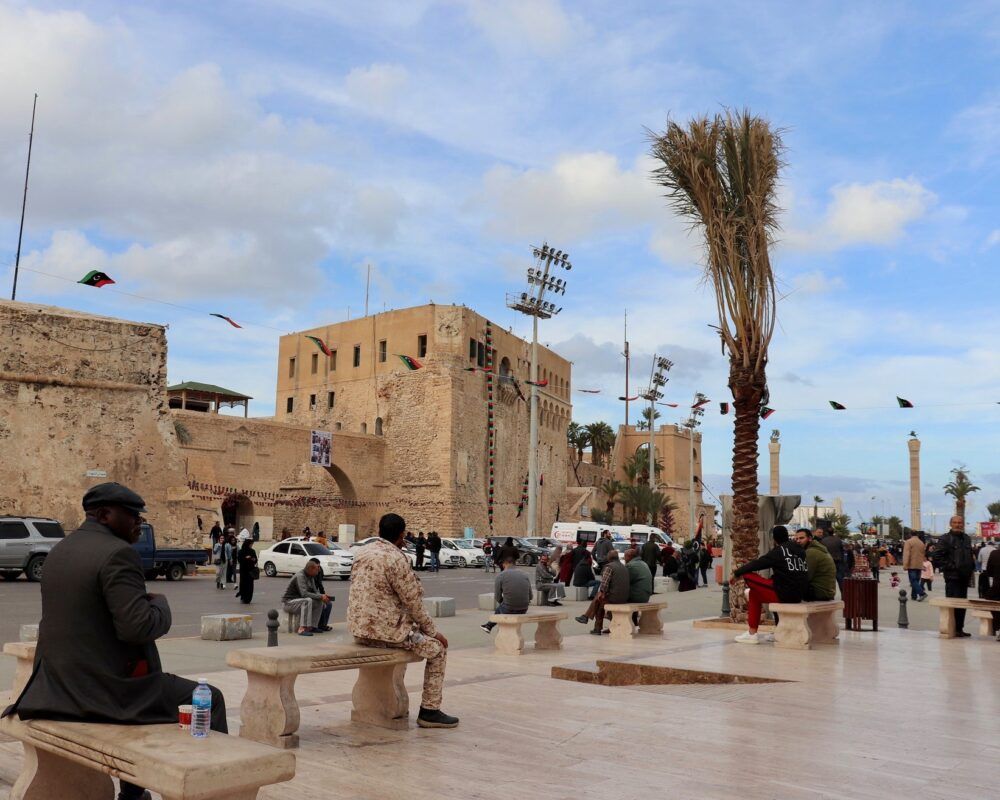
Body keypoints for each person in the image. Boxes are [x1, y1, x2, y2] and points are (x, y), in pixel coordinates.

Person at [2, 483, 227, 800]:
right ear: (105, 515)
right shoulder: (118, 554)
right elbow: (139, 627)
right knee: (210, 698)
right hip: (102, 695)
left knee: (149, 681)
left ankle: (133, 795)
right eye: (133, 515)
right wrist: (160, 604)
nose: (140, 523)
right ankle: (211, 789)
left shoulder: (60, 551)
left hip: (56, 690)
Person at [348, 513, 458, 728]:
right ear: (401, 535)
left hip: (360, 630)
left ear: (379, 530)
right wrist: (434, 632)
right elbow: (413, 602)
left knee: (411, 636)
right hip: (386, 633)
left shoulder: (362, 552)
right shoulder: (396, 558)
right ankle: (430, 710)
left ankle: (393, 699)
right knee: (437, 650)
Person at [731, 525, 809, 644]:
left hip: (784, 593)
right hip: (799, 594)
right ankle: (756, 632)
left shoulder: (779, 551)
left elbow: (758, 563)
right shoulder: (800, 551)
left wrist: (737, 573)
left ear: (774, 539)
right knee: (754, 594)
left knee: (747, 575)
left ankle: (752, 634)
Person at [932, 516, 975, 637]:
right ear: (950, 524)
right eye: (955, 522)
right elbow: (937, 556)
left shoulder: (966, 538)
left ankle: (959, 629)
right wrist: (952, 566)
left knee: (962, 604)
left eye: (960, 522)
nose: (957, 524)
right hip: (952, 577)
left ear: (963, 524)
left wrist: (970, 567)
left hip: (964, 577)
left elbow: (969, 555)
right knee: (952, 604)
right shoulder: (945, 539)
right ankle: (951, 628)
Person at [574, 549, 630, 635]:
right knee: (599, 602)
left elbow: (604, 583)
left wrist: (602, 592)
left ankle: (590, 621)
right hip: (624, 597)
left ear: (609, 558)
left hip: (614, 597)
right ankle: (588, 620)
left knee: (599, 599)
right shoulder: (623, 567)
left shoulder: (609, 567)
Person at [481, 554, 533, 632]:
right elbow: (531, 596)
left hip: (509, 608)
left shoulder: (501, 576)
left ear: (505, 564)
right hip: (524, 608)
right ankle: (488, 626)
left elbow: (497, 597)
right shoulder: (524, 575)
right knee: (502, 607)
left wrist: (504, 602)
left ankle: (489, 626)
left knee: (500, 608)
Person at [282, 560, 332, 636]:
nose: (318, 571)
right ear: (311, 569)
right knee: (307, 601)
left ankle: (312, 627)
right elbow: (304, 594)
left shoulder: (311, 576)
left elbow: (315, 592)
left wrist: (323, 597)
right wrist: (320, 596)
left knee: (319, 601)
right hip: (288, 603)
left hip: (299, 601)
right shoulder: (300, 576)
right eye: (316, 569)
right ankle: (302, 629)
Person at [793, 528, 837, 601]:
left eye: (801, 538)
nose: (798, 541)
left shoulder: (811, 552)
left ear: (810, 538)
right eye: (796, 539)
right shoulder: (817, 549)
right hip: (827, 591)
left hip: (820, 592)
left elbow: (805, 576)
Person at [902, 530, 928, 602]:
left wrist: (905, 564)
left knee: (913, 580)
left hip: (911, 564)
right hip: (919, 565)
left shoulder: (908, 542)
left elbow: (906, 554)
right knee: (916, 580)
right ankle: (914, 596)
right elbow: (923, 555)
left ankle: (922, 593)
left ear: (910, 534)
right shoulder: (921, 543)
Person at [236, 538, 258, 604]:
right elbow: (239, 560)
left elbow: (255, 560)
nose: (251, 545)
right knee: (243, 584)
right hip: (243, 571)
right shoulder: (241, 551)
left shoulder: (252, 551)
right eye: (251, 544)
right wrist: (245, 558)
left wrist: (253, 559)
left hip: (250, 571)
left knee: (250, 585)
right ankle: (243, 597)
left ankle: (248, 598)